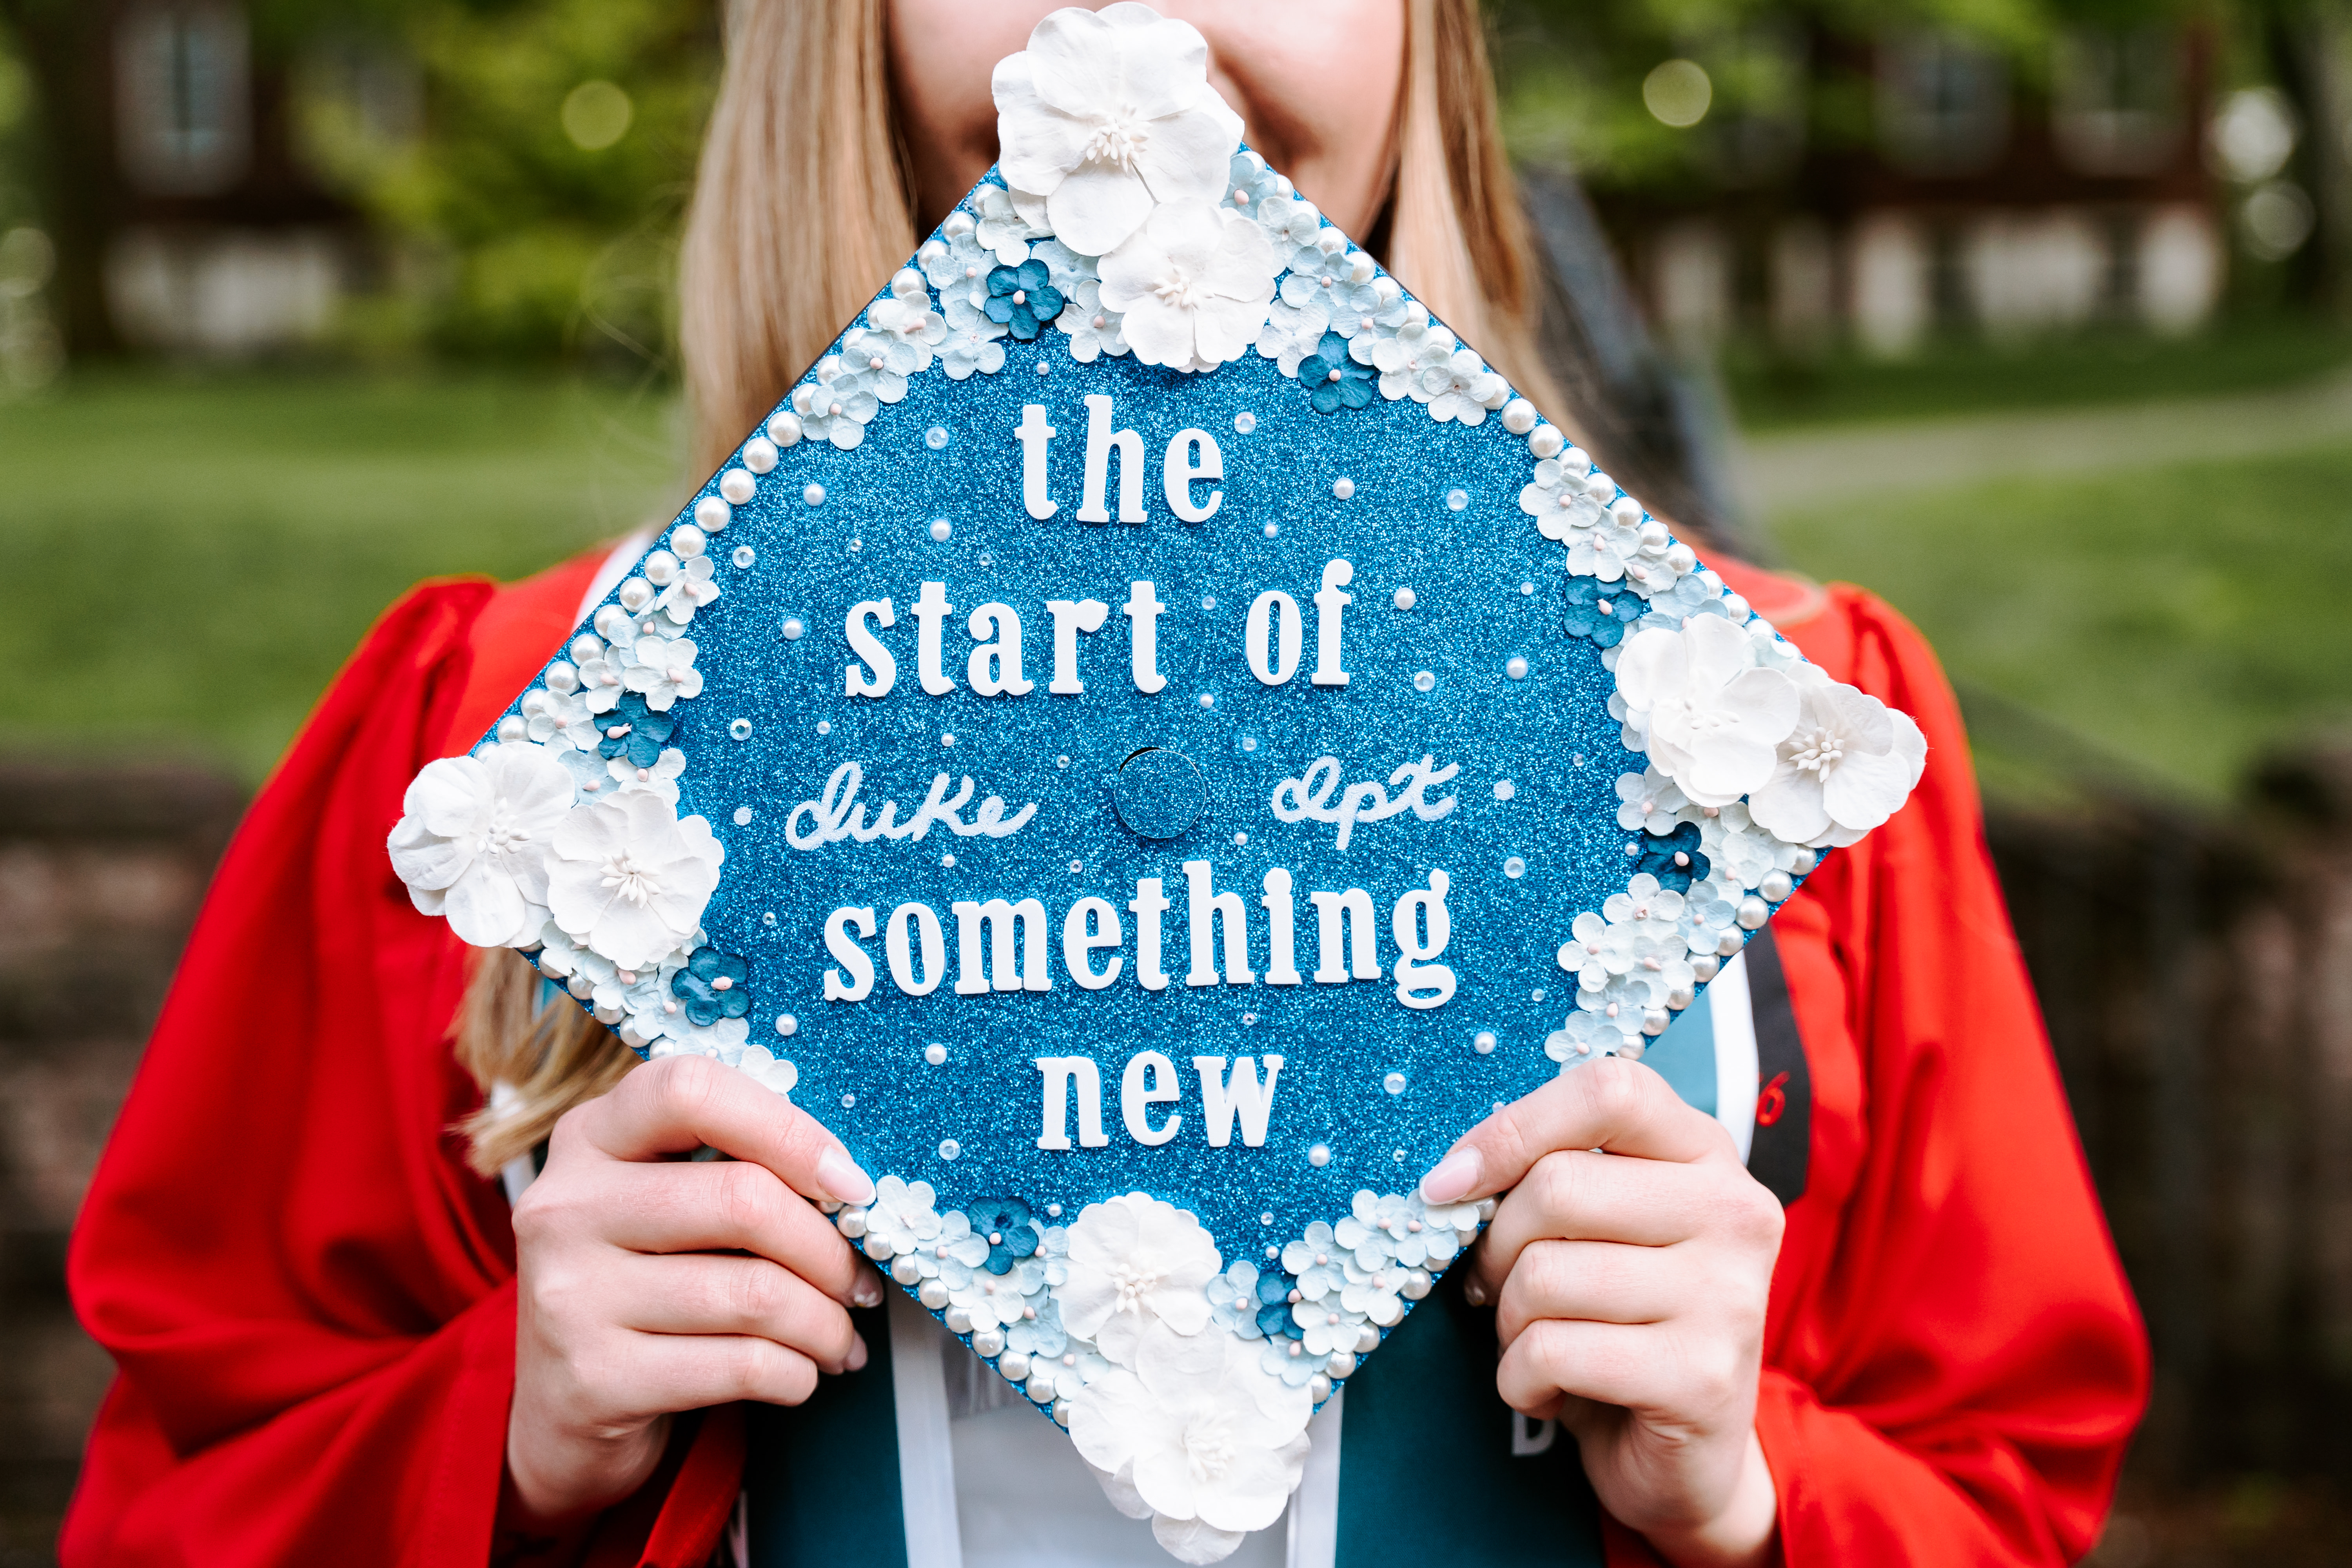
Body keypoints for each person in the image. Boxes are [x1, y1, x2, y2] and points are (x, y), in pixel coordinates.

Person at [61, 3, 2148, 1565]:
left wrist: (1757, 1488)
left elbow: (2008, 1489)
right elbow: (191, 1496)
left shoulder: (1756, 729)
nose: (1139, 18)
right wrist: (503, 1447)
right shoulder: (510, 735)